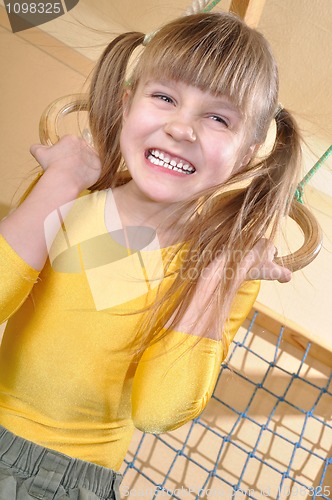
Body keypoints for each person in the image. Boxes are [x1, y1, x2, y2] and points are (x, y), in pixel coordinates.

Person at [0, 10, 301, 500]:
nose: (182, 128)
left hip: (72, 482)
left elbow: (160, 410)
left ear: (247, 153)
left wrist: (221, 274)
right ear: (125, 104)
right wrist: (60, 180)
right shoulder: (67, 193)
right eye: (164, 97)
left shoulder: (227, 270)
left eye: (218, 118)